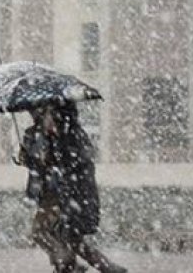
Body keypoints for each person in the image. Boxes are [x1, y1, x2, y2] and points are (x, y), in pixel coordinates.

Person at [18, 103, 127, 273]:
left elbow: (77, 164)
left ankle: (68, 264)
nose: (39, 117)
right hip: (56, 193)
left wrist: (50, 159)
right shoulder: (40, 134)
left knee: (47, 233)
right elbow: (39, 166)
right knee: (68, 238)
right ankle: (102, 268)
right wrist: (29, 157)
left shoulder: (70, 135)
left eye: (44, 113)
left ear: (55, 115)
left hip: (68, 194)